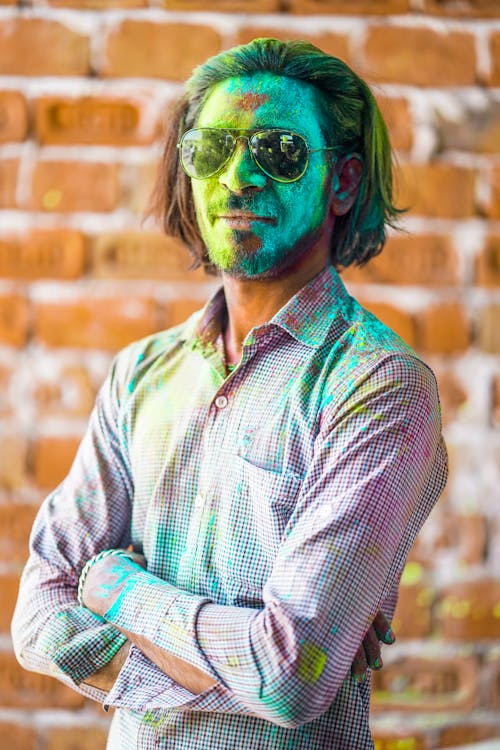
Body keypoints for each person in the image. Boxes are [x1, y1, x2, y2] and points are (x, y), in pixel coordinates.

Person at [12, 38, 448, 749]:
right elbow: (38, 614)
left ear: (341, 184)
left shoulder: (377, 387)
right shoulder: (140, 375)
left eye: (278, 151)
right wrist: (235, 670)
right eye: (211, 149)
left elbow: (287, 678)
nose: (238, 176)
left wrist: (118, 589)